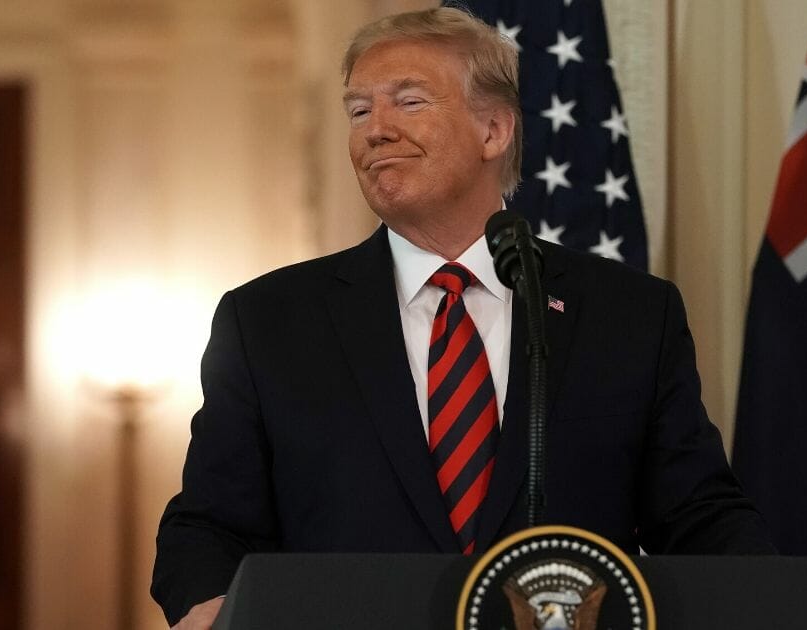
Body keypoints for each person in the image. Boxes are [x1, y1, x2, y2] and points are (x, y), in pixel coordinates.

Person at [151, 7, 774, 629]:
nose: (376, 130)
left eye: (409, 101)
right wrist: (211, 607)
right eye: (360, 110)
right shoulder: (268, 322)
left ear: (494, 130)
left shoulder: (629, 314)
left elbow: (698, 515)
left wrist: (769, 604)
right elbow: (206, 525)